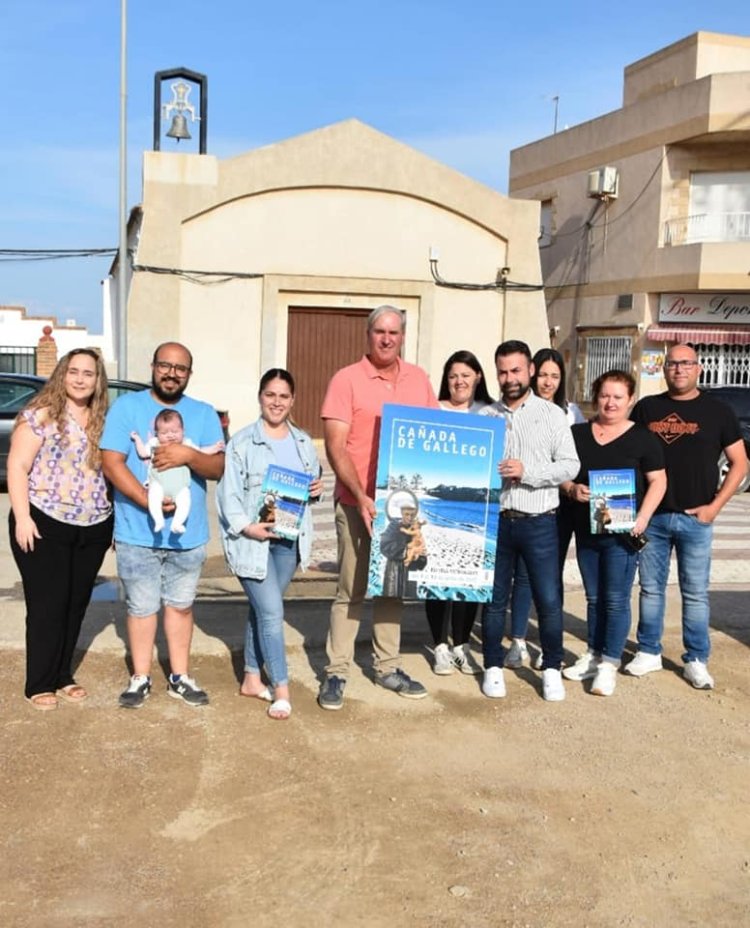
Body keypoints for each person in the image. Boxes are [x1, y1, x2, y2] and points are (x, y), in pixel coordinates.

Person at [317, 305, 439, 710]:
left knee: (392, 589)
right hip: (357, 503)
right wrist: (363, 496)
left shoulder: (418, 379)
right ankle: (336, 672)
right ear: (368, 335)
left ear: (402, 336)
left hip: (400, 507)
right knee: (350, 590)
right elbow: (336, 446)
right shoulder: (346, 380)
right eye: (379, 332)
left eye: (394, 332)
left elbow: (433, 436)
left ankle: (387, 667)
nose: (387, 339)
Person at [101, 342, 225, 709]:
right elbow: (112, 462)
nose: (172, 373)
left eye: (180, 368)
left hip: (188, 536)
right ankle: (140, 677)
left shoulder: (203, 414)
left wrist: (188, 454)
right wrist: (146, 501)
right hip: (137, 531)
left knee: (181, 606)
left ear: (189, 373)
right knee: (140, 607)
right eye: (165, 366)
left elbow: (217, 468)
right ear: (153, 366)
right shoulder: (127, 407)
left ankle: (179, 676)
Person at [628, 344, 748, 689]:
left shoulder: (718, 411)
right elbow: (628, 453)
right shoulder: (648, 408)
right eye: (672, 364)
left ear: (699, 368)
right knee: (650, 589)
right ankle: (649, 651)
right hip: (654, 517)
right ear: (664, 369)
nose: (678, 369)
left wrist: (715, 507)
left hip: (696, 519)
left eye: (686, 363)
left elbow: (740, 463)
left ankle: (696, 658)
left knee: (695, 592)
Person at [8, 348, 113, 710]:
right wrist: (23, 518)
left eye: (89, 373)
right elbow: (18, 466)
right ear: (62, 375)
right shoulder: (40, 416)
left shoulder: (104, 420)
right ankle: (39, 682)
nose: (81, 379)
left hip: (94, 526)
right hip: (43, 521)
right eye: (74, 371)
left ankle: (62, 674)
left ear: (98, 380)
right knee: (47, 605)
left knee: (74, 604)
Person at [216, 369, 322, 720]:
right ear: (260, 397)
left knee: (262, 610)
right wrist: (248, 528)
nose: (276, 402)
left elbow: (310, 484)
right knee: (273, 614)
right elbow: (227, 495)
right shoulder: (242, 443)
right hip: (254, 543)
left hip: (289, 543)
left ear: (292, 400)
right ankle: (281, 688)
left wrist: (315, 491)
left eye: (283, 396)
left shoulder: (303, 442)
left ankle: (250, 675)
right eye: (270, 394)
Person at [479, 339, 579, 701]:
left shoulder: (552, 414)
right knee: (493, 599)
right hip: (498, 520)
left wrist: (527, 472)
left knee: (548, 599)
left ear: (530, 370)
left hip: (540, 521)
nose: (510, 378)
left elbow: (570, 465)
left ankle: (552, 667)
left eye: (516, 370)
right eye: (503, 371)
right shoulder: (486, 417)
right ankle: (492, 665)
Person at [560, 371, 666, 696]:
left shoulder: (643, 438)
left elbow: (659, 481)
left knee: (616, 600)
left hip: (622, 534)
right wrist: (571, 488)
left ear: (630, 400)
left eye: (618, 397)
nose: (610, 402)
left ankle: (609, 663)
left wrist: (643, 518)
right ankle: (592, 653)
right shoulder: (577, 433)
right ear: (596, 396)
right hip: (587, 531)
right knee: (594, 598)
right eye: (605, 395)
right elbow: (561, 473)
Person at [506, 348, 586, 669]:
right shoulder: (517, 411)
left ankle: (549, 645)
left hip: (564, 507)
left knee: (551, 578)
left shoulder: (571, 414)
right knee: (524, 576)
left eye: (555, 376)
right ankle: (518, 640)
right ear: (531, 374)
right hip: (530, 504)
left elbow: (572, 462)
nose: (548, 382)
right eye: (543, 375)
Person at [425, 349, 493, 675]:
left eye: (465, 375)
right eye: (453, 376)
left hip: (480, 510)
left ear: (477, 377)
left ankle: (461, 644)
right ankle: (439, 645)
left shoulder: (491, 414)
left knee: (471, 581)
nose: (459, 381)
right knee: (436, 579)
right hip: (440, 497)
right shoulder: (433, 409)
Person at [131, 408, 225, 534]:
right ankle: (158, 520)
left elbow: (200, 453)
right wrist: (137, 439)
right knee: (153, 497)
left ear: (183, 431)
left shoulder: (187, 444)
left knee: (185, 501)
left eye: (175, 431)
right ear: (156, 434)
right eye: (164, 433)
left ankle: (177, 523)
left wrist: (213, 448)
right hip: (158, 482)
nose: (170, 435)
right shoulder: (154, 443)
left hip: (180, 486)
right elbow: (143, 453)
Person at [379, 494, 428, 599]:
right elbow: (384, 546)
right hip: (394, 573)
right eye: (406, 514)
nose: (409, 517)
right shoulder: (394, 526)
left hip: (411, 576)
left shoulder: (416, 528)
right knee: (391, 605)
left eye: (412, 514)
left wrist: (421, 557)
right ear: (401, 513)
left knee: (410, 607)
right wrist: (406, 549)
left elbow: (421, 561)